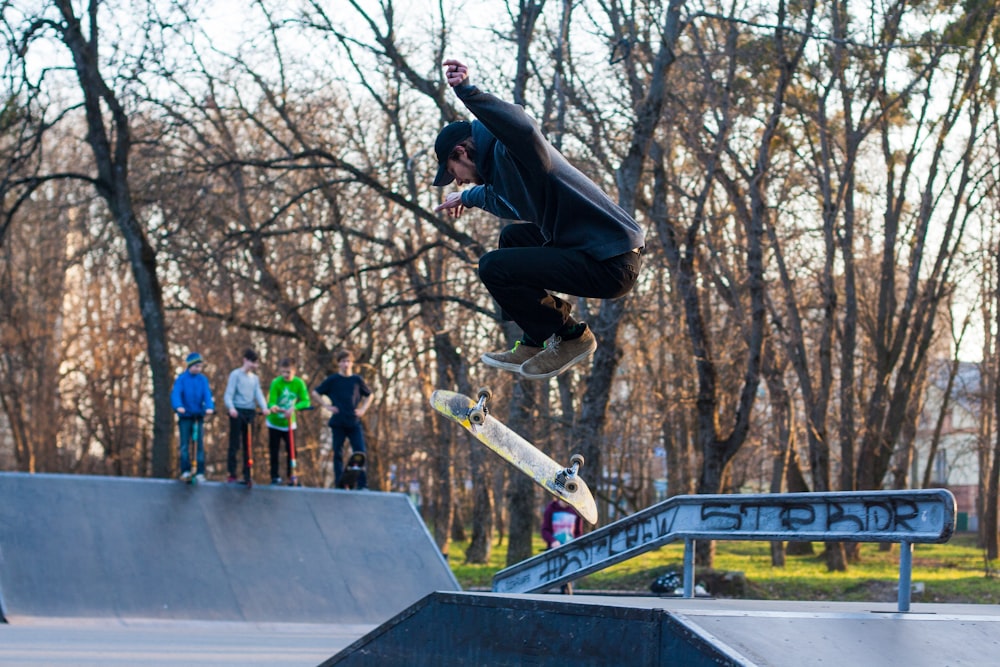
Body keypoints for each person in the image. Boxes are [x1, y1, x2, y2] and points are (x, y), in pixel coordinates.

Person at [432, 58, 645, 380]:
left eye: (454, 174)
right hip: (591, 249)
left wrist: (467, 91)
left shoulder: (514, 151)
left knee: (493, 266)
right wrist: (466, 198)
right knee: (512, 241)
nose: (460, 181)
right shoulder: (503, 177)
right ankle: (534, 340)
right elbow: (498, 199)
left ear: (461, 152)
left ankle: (572, 337)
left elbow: (521, 125)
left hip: (611, 262)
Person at [312, 349, 373, 489]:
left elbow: (370, 395)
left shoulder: (357, 380)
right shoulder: (333, 380)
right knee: (337, 453)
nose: (346, 364)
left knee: (360, 452)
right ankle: (340, 483)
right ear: (339, 363)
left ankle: (362, 484)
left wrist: (363, 409)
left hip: (353, 422)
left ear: (352, 364)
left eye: (348, 362)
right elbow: (315, 393)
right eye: (343, 361)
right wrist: (327, 406)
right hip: (338, 422)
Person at [223, 348, 272, 484]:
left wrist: (264, 408)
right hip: (237, 411)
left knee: (248, 444)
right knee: (235, 444)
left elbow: (258, 394)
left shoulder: (255, 379)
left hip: (250, 412)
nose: (254, 366)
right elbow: (228, 394)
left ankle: (248, 473)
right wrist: (231, 408)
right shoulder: (236, 375)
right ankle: (231, 473)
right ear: (245, 360)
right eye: (253, 363)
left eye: (256, 364)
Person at [170, 352, 215, 482]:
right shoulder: (182, 379)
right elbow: (176, 394)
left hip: (198, 416)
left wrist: (209, 407)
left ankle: (200, 471)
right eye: (196, 366)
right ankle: (185, 470)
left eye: (200, 367)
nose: (198, 369)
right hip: (185, 416)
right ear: (190, 366)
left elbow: (207, 394)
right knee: (185, 445)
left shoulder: (202, 380)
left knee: (199, 444)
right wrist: (178, 406)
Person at [266, 357, 311, 485]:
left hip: (290, 423)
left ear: (294, 371)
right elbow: (271, 401)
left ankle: (291, 475)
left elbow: (306, 401)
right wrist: (273, 407)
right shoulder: (276, 383)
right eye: (283, 372)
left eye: (288, 372)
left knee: (291, 449)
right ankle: (274, 476)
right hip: (274, 422)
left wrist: (294, 408)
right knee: (274, 449)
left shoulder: (299, 383)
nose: (285, 375)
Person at [541, 497, 584, 594]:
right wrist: (552, 541)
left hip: (569, 553)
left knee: (566, 584)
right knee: (546, 583)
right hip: (553, 551)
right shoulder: (551, 509)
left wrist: (575, 544)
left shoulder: (575, 511)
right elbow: (545, 530)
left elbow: (578, 533)